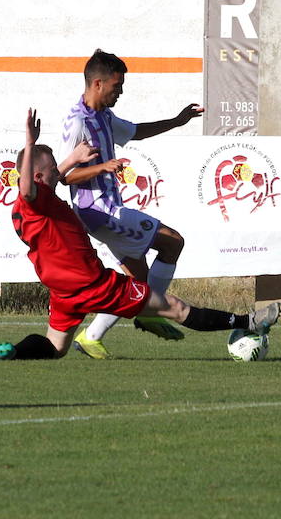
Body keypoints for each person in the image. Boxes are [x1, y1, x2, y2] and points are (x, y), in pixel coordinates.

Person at [0, 109, 280, 361]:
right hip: (93, 284)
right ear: (39, 176)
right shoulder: (34, 198)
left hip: (63, 292)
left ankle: (12, 352)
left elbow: (48, 179)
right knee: (176, 309)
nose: (60, 171)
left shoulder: (28, 207)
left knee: (54, 347)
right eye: (54, 168)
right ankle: (248, 322)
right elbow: (29, 186)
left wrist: (71, 159)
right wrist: (29, 143)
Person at [56, 49, 203, 359]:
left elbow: (136, 131)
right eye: (116, 86)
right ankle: (149, 314)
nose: (120, 92)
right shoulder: (77, 123)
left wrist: (178, 121)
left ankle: (91, 336)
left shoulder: (103, 116)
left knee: (139, 283)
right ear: (97, 83)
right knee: (173, 242)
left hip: (106, 210)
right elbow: (65, 176)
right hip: (100, 212)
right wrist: (102, 167)